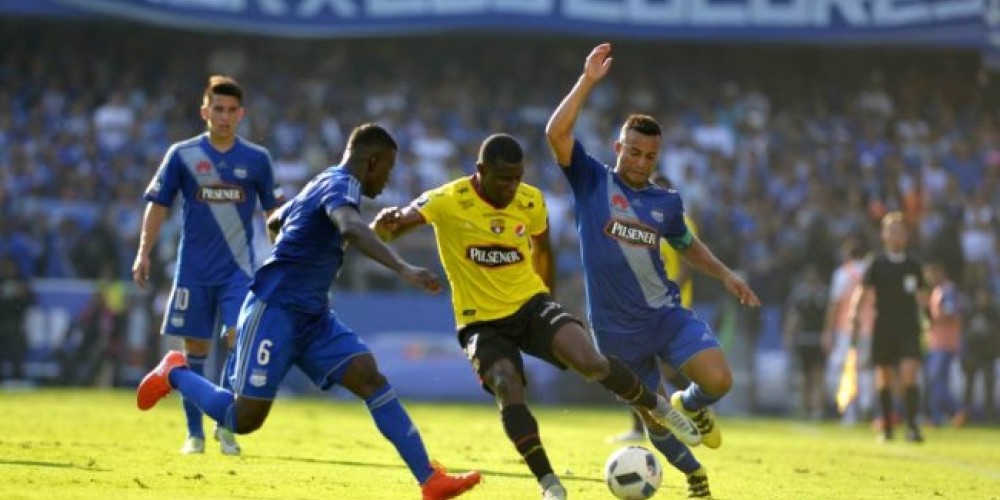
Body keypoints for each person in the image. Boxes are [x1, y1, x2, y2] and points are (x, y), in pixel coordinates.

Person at [136, 123, 482, 500]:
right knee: (243, 419)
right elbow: (348, 228)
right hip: (276, 311)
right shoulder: (342, 186)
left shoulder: (323, 182)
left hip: (312, 315)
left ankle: (429, 479)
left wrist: (305, 264)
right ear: (373, 160)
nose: (388, 179)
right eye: (388, 169)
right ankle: (176, 372)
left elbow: (275, 221)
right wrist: (404, 268)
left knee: (369, 377)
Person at [371, 133, 699, 500]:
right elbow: (399, 222)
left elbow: (543, 249)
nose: (512, 186)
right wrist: (389, 223)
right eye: (503, 178)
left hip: (530, 305)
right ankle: (549, 483)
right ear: (480, 171)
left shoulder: (530, 200)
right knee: (506, 383)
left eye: (517, 177)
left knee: (590, 361)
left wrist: (548, 301)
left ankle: (659, 409)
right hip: (480, 321)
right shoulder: (449, 199)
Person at [544, 42, 762, 497]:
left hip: (664, 314)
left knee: (719, 379)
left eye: (650, 157)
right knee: (654, 417)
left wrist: (724, 274)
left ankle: (693, 405)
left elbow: (687, 246)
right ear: (619, 146)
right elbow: (556, 135)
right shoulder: (591, 180)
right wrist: (587, 81)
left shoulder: (666, 202)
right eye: (635, 152)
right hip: (615, 331)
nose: (641, 162)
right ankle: (695, 476)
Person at [132, 75, 282, 456]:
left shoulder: (256, 159)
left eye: (232, 110)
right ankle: (194, 433)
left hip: (239, 272)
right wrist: (143, 250)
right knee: (194, 347)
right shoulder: (182, 155)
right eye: (218, 109)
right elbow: (159, 204)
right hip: (193, 271)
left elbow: (274, 212)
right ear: (205, 111)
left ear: (241, 114)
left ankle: (226, 424)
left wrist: (284, 253)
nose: (225, 116)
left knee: (238, 340)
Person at [610, 180, 699, 442]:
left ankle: (696, 404)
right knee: (637, 363)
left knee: (660, 367)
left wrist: (666, 294)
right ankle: (642, 426)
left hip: (670, 306)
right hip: (643, 306)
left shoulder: (681, 221)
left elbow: (687, 263)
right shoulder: (640, 221)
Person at [849, 211, 928, 442]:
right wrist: (855, 314)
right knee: (884, 377)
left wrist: (929, 318)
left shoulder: (914, 264)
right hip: (883, 325)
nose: (896, 235)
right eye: (892, 230)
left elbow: (923, 296)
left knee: (908, 375)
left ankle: (913, 426)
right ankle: (887, 427)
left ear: (906, 236)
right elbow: (862, 291)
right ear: (884, 235)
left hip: (908, 326)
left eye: (900, 231)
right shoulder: (876, 263)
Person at [822, 234, 873, 424]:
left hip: (846, 328)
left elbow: (834, 305)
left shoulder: (843, 273)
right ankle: (867, 403)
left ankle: (849, 411)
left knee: (843, 368)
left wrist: (828, 331)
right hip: (869, 327)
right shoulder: (870, 271)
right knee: (866, 369)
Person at [782, 266, 829, 420]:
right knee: (807, 376)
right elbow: (794, 316)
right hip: (805, 338)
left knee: (816, 375)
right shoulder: (801, 295)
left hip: (817, 338)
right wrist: (789, 335)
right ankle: (808, 407)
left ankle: (816, 408)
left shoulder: (825, 294)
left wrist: (789, 335)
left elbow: (793, 317)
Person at [923, 261, 962, 427]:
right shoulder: (937, 291)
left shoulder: (948, 290)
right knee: (935, 381)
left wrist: (932, 317)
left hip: (945, 342)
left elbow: (950, 312)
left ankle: (956, 409)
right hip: (935, 342)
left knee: (936, 379)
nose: (929, 278)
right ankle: (937, 417)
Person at [956, 286, 999, 424]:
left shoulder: (993, 313)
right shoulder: (971, 313)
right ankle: (965, 414)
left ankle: (990, 416)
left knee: (989, 384)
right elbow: (963, 332)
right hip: (972, 353)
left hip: (988, 354)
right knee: (969, 385)